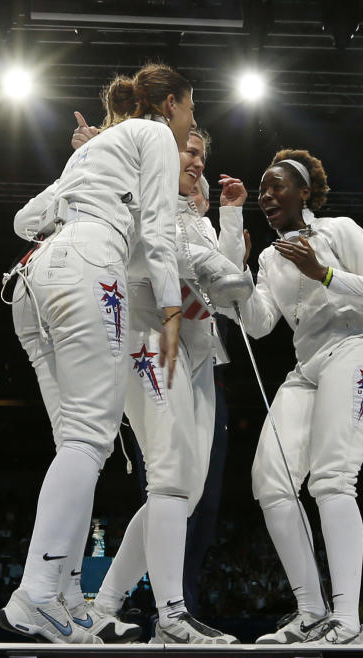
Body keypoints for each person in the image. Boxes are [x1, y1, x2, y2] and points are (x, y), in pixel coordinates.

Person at [0, 63, 191, 645]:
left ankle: (62, 596)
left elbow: (24, 219)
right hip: (88, 269)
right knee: (89, 437)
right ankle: (35, 594)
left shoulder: (97, 147)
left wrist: (93, 191)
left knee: (76, 445)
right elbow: (157, 232)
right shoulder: (154, 134)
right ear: (168, 106)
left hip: (33, 278)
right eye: (189, 109)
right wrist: (171, 311)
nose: (190, 123)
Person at [61, 123, 247, 643]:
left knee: (183, 494)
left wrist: (229, 216)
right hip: (147, 334)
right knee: (168, 478)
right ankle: (171, 615)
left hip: (200, 353)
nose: (197, 164)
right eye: (190, 151)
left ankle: (106, 605)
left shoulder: (200, 220)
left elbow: (229, 284)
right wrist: (96, 151)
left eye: (202, 159)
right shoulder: (138, 193)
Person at [234, 149, 363, 645]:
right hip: (306, 369)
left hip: (355, 351)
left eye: (276, 186)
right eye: (261, 191)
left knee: (331, 479)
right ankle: (310, 613)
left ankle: (348, 622)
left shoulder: (341, 230)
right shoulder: (269, 257)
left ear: (305, 192)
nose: (265, 196)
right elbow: (260, 325)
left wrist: (323, 273)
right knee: (271, 482)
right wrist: (239, 274)